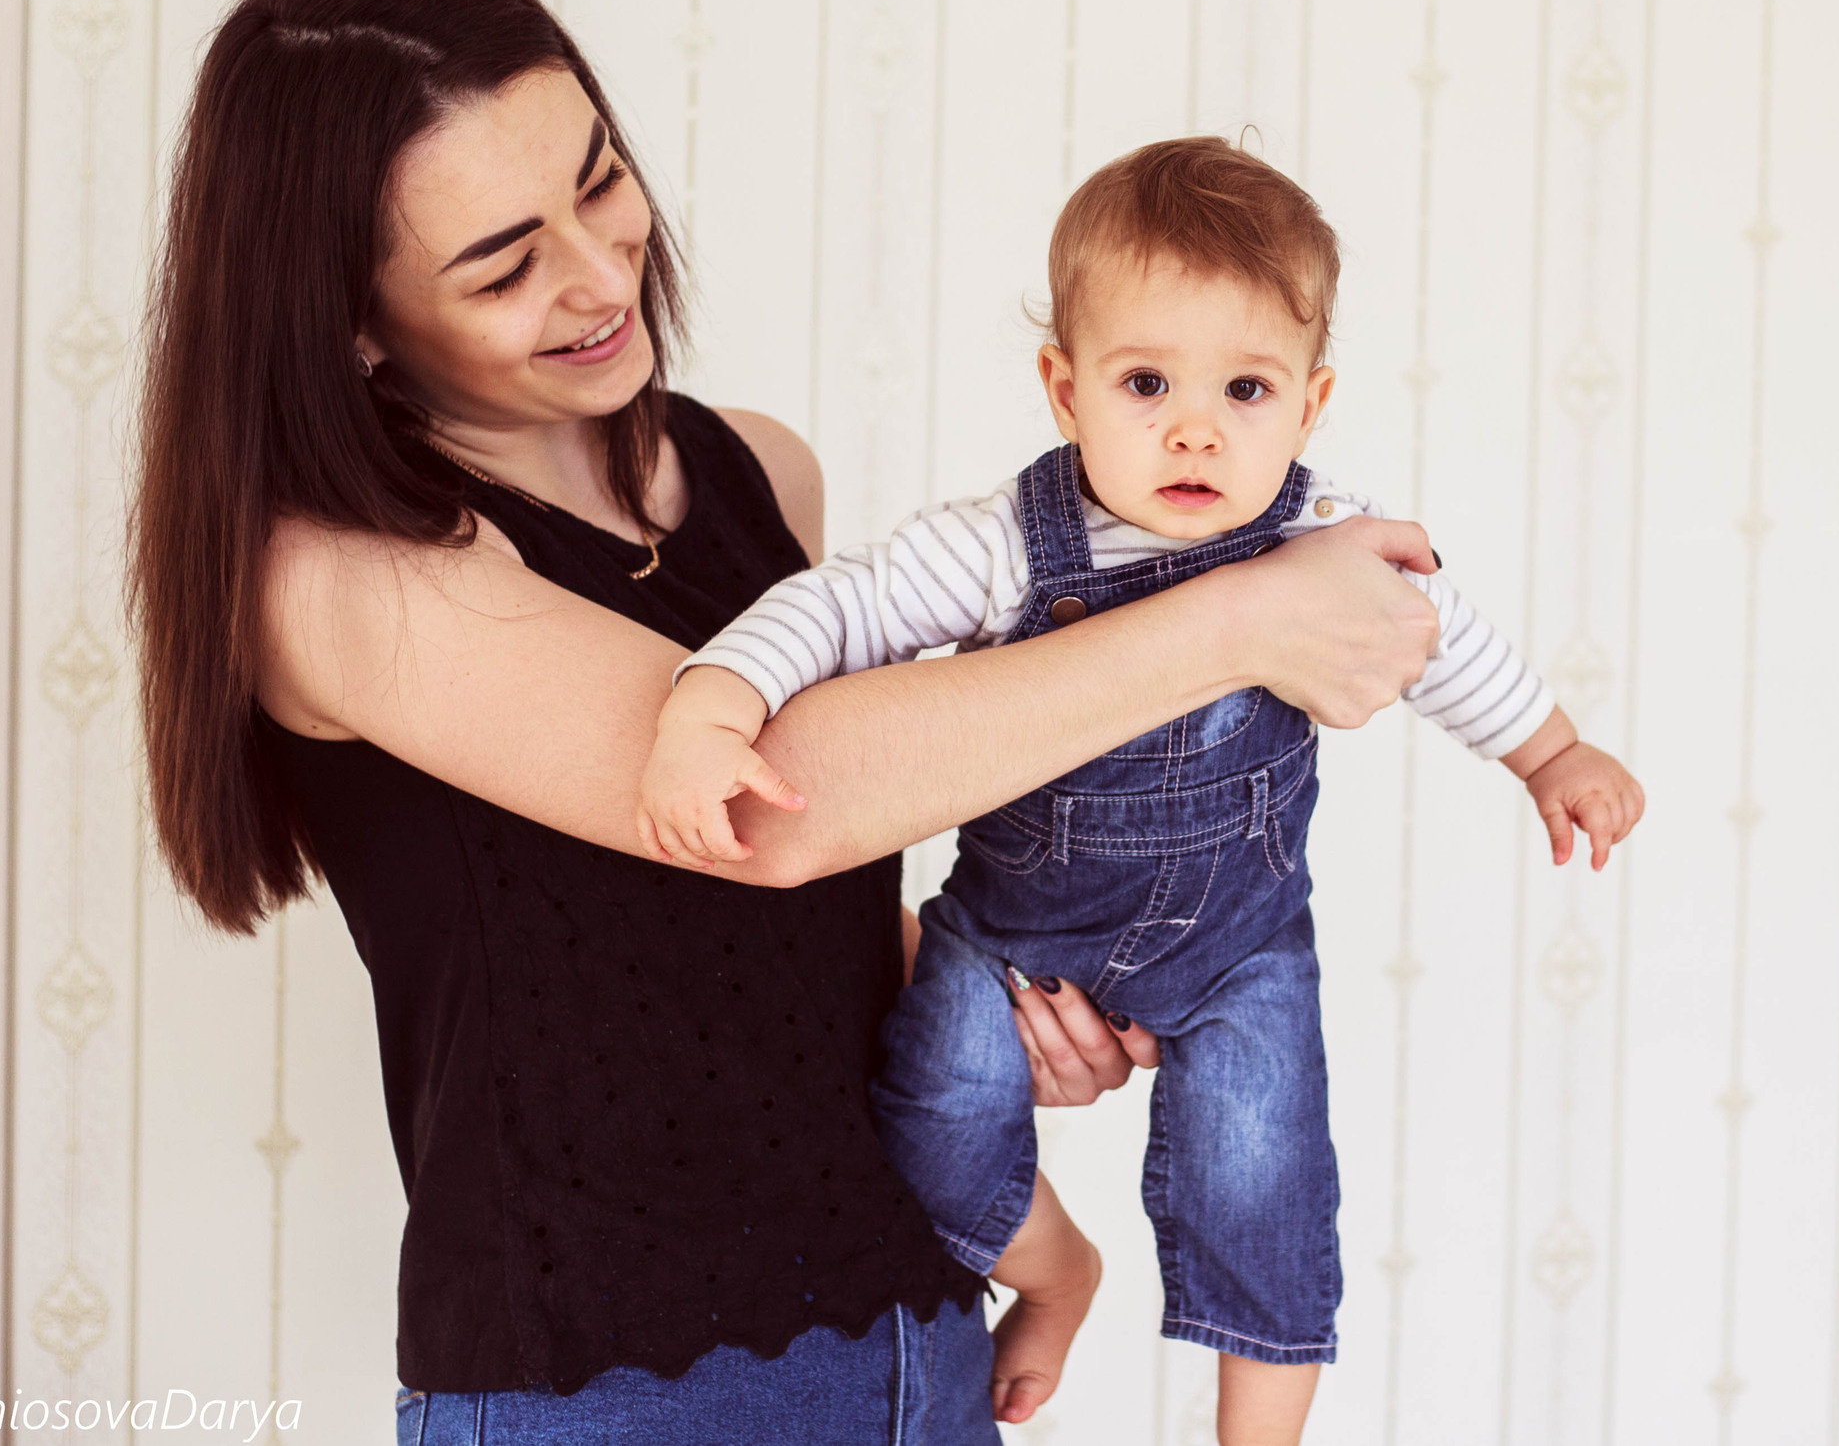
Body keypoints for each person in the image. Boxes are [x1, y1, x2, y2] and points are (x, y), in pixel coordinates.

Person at [127, 0, 1447, 1445]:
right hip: (609, 1395)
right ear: (347, 322)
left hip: (916, 1333)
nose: (598, 271)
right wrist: (1248, 612)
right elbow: (766, 814)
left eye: (601, 180)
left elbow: (793, 944)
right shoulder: (334, 579)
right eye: (502, 263)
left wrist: (1035, 1190)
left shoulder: (760, 475)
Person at [640, 137, 1649, 1446]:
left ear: (1311, 399)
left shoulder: (1328, 538)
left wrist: (1552, 752)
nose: (1194, 427)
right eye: (1146, 382)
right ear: (1065, 390)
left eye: (1246, 388)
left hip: (1239, 950)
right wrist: (712, 705)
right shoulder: (1008, 543)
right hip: (1011, 938)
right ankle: (1055, 1273)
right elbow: (838, 607)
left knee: (1264, 1179)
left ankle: (1259, 1436)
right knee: (929, 1117)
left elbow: (1445, 639)